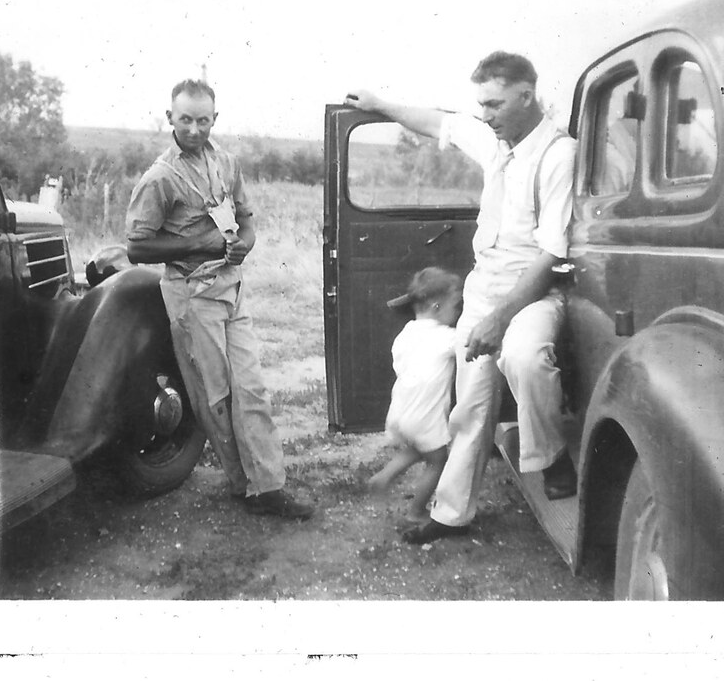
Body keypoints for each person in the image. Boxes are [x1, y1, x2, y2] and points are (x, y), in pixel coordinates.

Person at [347, 50, 578, 544]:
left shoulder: (559, 154)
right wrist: (380, 103)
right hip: (484, 287)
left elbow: (550, 256)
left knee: (523, 357)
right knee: (469, 407)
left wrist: (498, 321)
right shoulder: (493, 137)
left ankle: (552, 456)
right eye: (481, 105)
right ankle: (451, 514)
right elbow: (437, 123)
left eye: (494, 104)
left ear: (525, 95)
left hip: (533, 292)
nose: (486, 115)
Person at [125, 78, 314, 520]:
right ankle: (242, 483)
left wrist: (243, 243)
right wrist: (201, 245)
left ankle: (268, 486)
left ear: (215, 119)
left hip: (232, 290)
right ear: (169, 118)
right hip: (192, 298)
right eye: (185, 119)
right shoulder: (159, 178)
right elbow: (138, 248)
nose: (194, 129)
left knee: (253, 390)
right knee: (215, 397)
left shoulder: (227, 163)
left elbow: (245, 222)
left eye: (203, 120)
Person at [369, 267, 463, 526]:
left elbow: (399, 364)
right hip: (425, 416)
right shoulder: (446, 337)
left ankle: (385, 476)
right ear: (436, 306)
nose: (458, 313)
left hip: (400, 411)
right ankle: (416, 511)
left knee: (416, 448)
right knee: (437, 460)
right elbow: (469, 345)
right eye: (455, 306)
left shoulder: (406, 333)